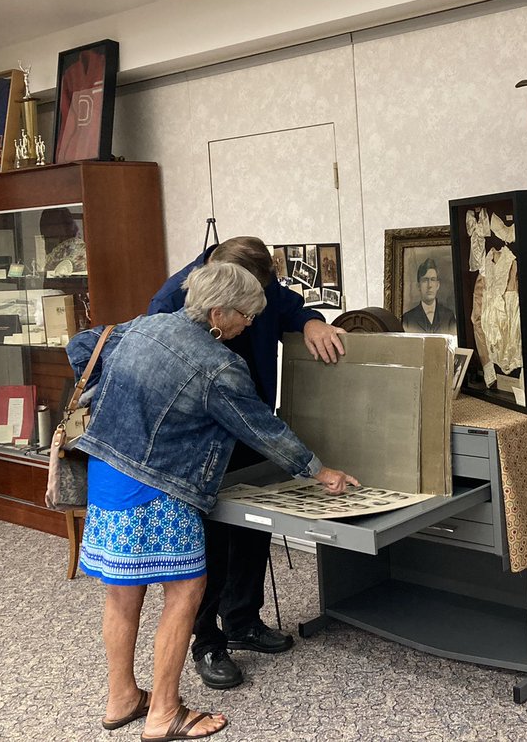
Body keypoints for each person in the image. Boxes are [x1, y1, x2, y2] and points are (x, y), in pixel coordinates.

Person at [70, 262, 359, 740]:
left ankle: (122, 697)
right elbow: (262, 430)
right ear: (219, 311)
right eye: (246, 315)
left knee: (122, 593)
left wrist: (121, 400)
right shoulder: (217, 365)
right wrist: (318, 470)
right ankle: (164, 714)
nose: (249, 324)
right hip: (158, 489)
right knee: (185, 592)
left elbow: (81, 346)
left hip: (107, 477)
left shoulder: (142, 327)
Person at [148, 236, 347, 691]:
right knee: (211, 539)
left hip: (254, 420)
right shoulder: (170, 300)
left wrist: (311, 321)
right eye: (246, 311)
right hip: (202, 435)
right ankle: (207, 641)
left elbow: (289, 306)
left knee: (254, 524)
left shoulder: (260, 277)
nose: (254, 317)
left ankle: (241, 620)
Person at [401, 258, 457, 334]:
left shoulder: (448, 316)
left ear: (437, 285)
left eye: (433, 280)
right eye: (425, 280)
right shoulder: (408, 319)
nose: (429, 285)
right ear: (418, 286)